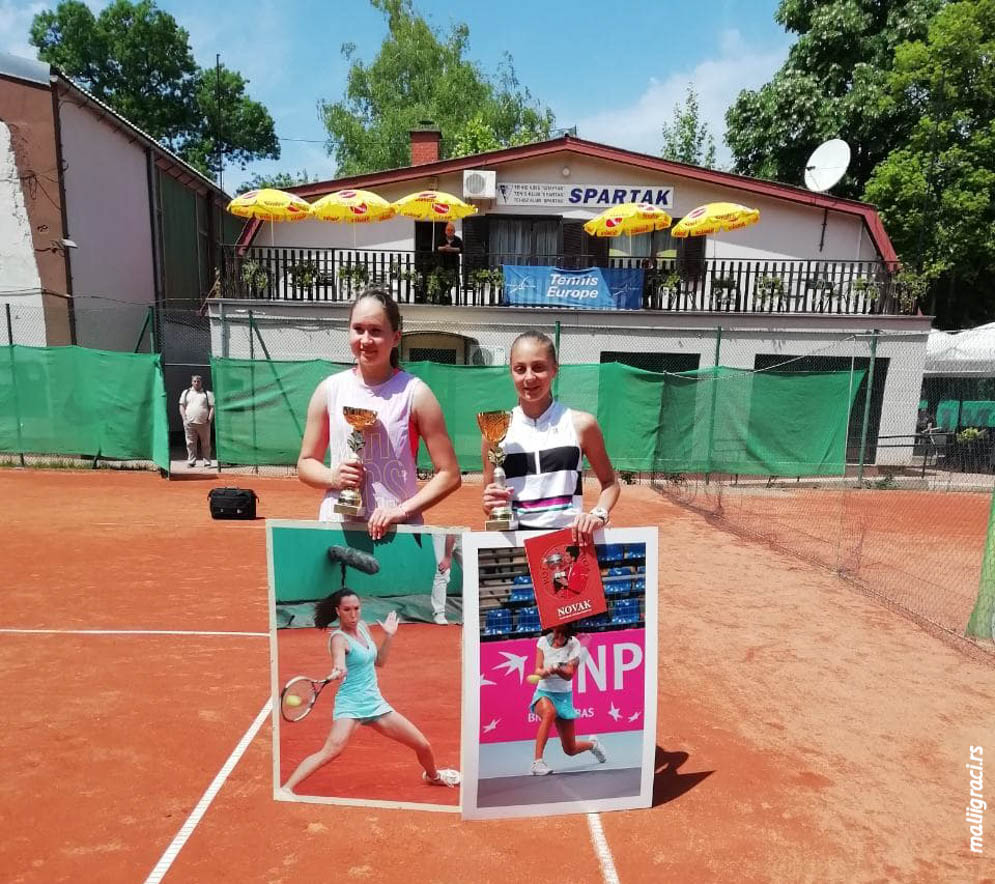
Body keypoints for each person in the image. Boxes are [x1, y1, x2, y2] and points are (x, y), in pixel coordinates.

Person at [297, 288, 461, 540]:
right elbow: (305, 463)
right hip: (337, 530)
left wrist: (402, 511)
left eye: (375, 331)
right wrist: (333, 477)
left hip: (397, 535)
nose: (365, 340)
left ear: (395, 337)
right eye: (358, 329)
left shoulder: (415, 393)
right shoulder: (329, 390)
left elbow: (449, 474)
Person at [282, 588, 460, 794]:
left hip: (375, 704)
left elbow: (380, 661)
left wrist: (389, 636)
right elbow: (339, 660)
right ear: (338, 611)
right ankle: (286, 789)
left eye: (356, 608)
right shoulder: (338, 639)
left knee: (423, 745)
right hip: (350, 705)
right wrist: (339, 668)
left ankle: (433, 777)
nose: (353, 614)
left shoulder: (364, 628)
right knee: (331, 750)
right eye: (347, 609)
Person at [481, 330, 620, 544]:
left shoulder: (582, 424)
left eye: (538, 367)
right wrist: (490, 503)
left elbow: (610, 483)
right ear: (511, 372)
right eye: (520, 369)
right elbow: (491, 504)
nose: (529, 377)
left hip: (569, 545)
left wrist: (599, 514)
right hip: (516, 546)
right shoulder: (494, 431)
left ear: (554, 369)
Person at [528, 622, 607, 776]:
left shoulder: (574, 644)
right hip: (544, 692)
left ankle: (593, 745)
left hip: (563, 696)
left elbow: (569, 674)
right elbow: (537, 670)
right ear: (552, 628)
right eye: (557, 631)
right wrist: (543, 672)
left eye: (563, 633)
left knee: (570, 749)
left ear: (568, 633)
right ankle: (537, 763)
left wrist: (556, 668)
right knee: (549, 712)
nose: (559, 636)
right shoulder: (543, 641)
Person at [179, 375, 215, 468]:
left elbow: (212, 407)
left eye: (198, 381)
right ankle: (191, 461)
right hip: (189, 423)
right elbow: (181, 406)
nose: (196, 383)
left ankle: (207, 461)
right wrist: (184, 419)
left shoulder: (207, 393)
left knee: (206, 443)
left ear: (201, 382)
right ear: (192, 382)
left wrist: (209, 419)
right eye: (194, 381)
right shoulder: (186, 393)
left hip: (204, 423)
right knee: (190, 443)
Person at [431, 533, 458, 625]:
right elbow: (451, 531)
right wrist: (447, 557)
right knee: (443, 571)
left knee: (471, 571)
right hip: (442, 533)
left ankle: (469, 613)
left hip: (462, 534)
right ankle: (439, 613)